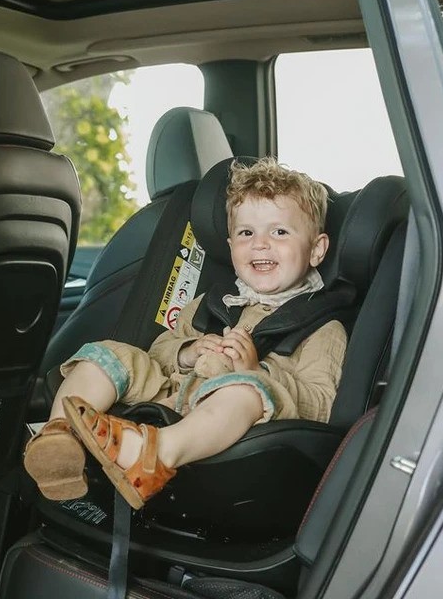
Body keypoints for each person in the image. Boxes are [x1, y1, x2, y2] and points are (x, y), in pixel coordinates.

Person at [24, 158, 347, 509]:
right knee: (109, 353)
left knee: (245, 391)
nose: (260, 244)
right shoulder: (211, 303)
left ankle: (154, 456)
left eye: (279, 232)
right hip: (172, 394)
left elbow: (321, 403)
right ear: (230, 245)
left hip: (227, 421)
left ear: (317, 249)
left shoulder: (322, 326)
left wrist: (257, 372)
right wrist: (188, 351)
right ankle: (59, 439)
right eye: (246, 233)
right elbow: (159, 351)